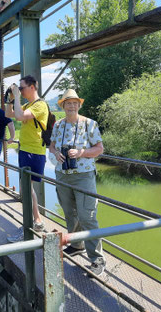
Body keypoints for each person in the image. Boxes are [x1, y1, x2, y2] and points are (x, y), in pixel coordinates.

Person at [49, 89, 105, 277]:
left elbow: (99, 149)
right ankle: (77, 244)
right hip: (62, 174)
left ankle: (97, 259)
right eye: (68, 103)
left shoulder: (90, 124)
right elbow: (52, 145)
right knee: (70, 212)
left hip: (84, 175)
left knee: (87, 215)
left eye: (74, 103)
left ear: (79, 105)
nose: (71, 106)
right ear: (63, 106)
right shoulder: (58, 125)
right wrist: (56, 153)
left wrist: (81, 153)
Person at [5, 75, 48, 242]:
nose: (20, 91)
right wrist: (11, 98)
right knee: (27, 189)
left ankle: (29, 226)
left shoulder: (40, 105)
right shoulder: (28, 104)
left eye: (22, 88)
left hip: (34, 152)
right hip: (25, 150)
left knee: (26, 189)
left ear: (33, 87)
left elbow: (21, 117)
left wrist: (16, 96)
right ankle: (36, 221)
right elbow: (10, 114)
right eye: (19, 89)